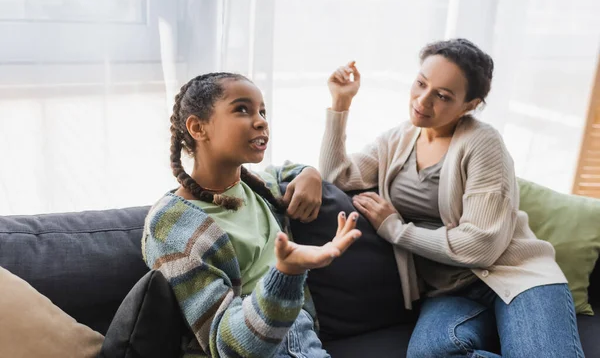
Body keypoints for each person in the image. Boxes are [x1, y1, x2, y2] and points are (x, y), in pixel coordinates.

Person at [320, 39, 584, 357]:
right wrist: (340, 104)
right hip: (449, 291)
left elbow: (481, 246)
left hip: (517, 277)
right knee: (430, 354)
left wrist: (396, 230)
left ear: (470, 105)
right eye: (421, 83)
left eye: (443, 96)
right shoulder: (396, 140)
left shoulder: (482, 143)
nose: (422, 100)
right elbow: (337, 178)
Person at [142, 72, 361, 357]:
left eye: (262, 111)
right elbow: (228, 345)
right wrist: (286, 274)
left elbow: (284, 171)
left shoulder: (260, 188)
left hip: (300, 336)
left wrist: (310, 173)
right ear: (198, 128)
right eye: (242, 109)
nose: (261, 121)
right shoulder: (170, 224)